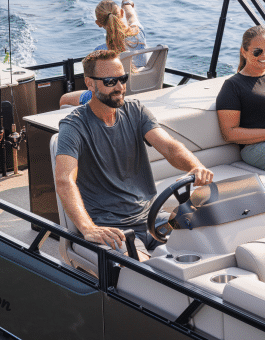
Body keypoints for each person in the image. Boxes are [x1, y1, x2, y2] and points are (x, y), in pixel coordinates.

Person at [55, 50, 213, 258]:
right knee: (144, 274)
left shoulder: (136, 111)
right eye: (111, 81)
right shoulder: (73, 127)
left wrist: (195, 167)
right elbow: (64, 180)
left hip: (154, 218)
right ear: (90, 84)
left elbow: (169, 147)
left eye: (123, 79)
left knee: (210, 242)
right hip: (114, 229)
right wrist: (87, 228)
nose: (120, 87)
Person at [59, 0, 148, 107]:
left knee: (64, 99)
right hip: (144, 93)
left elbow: (92, 87)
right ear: (121, 13)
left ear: (98, 23)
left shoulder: (99, 52)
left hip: (112, 100)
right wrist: (127, 4)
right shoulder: (139, 35)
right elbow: (131, 16)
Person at [216, 25, 265, 171]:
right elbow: (229, 133)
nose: (264, 56)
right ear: (244, 52)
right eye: (257, 51)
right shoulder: (232, 86)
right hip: (254, 149)